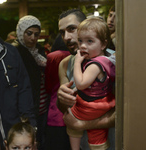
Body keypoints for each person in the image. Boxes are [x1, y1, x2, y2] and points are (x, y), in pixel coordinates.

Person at [57, 8, 116, 150]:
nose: (66, 37)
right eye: (62, 32)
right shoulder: (65, 64)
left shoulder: (113, 60)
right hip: (81, 143)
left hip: (110, 142)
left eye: (72, 29)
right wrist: (62, 97)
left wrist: (82, 124)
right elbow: (65, 109)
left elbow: (124, 112)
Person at [0, 33, 36, 150]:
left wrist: (31, 126)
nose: (33, 37)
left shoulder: (10, 52)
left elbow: (24, 89)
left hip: (15, 128)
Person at [15, 15, 49, 150]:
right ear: (20, 32)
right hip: (27, 109)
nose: (33, 38)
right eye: (29, 33)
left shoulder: (38, 51)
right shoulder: (16, 51)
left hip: (41, 107)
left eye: (36, 34)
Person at [45, 49, 70, 150]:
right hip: (74, 113)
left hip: (55, 113)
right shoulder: (77, 56)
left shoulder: (52, 57)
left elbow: (48, 85)